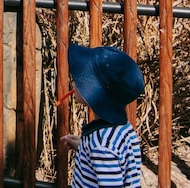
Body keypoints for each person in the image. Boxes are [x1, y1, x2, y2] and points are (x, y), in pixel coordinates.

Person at [60, 43, 144, 187]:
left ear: (94, 92)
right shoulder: (124, 129)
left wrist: (94, 148)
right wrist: (83, 146)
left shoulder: (101, 145)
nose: (74, 82)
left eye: (81, 79)